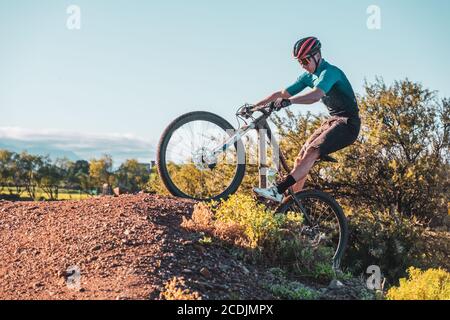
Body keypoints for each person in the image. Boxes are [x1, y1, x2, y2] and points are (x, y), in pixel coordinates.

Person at [253, 36, 361, 202]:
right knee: (301, 157)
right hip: (333, 121)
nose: (303, 65)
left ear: (317, 55)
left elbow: (316, 96)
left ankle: (278, 190)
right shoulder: (308, 77)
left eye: (305, 60)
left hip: (348, 125)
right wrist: (254, 107)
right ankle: (289, 204)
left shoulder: (330, 72)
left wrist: (291, 101)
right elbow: (281, 94)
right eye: (299, 62)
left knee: (312, 151)